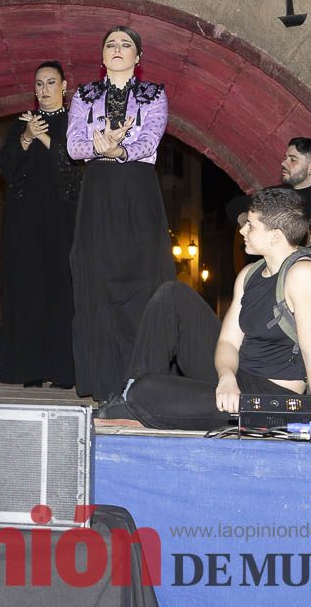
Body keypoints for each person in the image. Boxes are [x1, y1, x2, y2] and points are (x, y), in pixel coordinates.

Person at [101, 187, 311, 430]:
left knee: (147, 392)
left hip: (271, 399)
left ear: (275, 236)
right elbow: (228, 343)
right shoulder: (249, 274)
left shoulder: (305, 275)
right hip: (238, 379)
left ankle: (135, 401)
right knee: (173, 295)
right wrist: (227, 378)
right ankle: (129, 397)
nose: (242, 230)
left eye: (251, 226)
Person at [66, 26, 174, 401]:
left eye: (125, 45)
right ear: (101, 56)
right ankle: (104, 380)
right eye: (110, 43)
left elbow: (151, 139)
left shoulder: (155, 94)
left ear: (138, 58)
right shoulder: (83, 95)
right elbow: (74, 146)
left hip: (137, 190)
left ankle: (142, 380)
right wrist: (101, 149)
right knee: (96, 278)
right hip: (99, 192)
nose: (117, 49)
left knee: (142, 278)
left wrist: (119, 150)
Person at [0, 61, 82, 388]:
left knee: (62, 293)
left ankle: (63, 372)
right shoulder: (23, 124)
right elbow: (5, 167)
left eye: (50, 83)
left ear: (63, 87)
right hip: (26, 223)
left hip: (62, 223)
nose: (44, 89)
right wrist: (26, 138)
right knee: (28, 292)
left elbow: (75, 170)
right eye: (38, 84)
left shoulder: (75, 123)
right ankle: (29, 370)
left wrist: (45, 139)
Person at [224, 137, 311, 252]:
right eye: (285, 157)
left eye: (292, 159)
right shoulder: (276, 194)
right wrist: (245, 219)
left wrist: (304, 246)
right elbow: (235, 205)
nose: (283, 163)